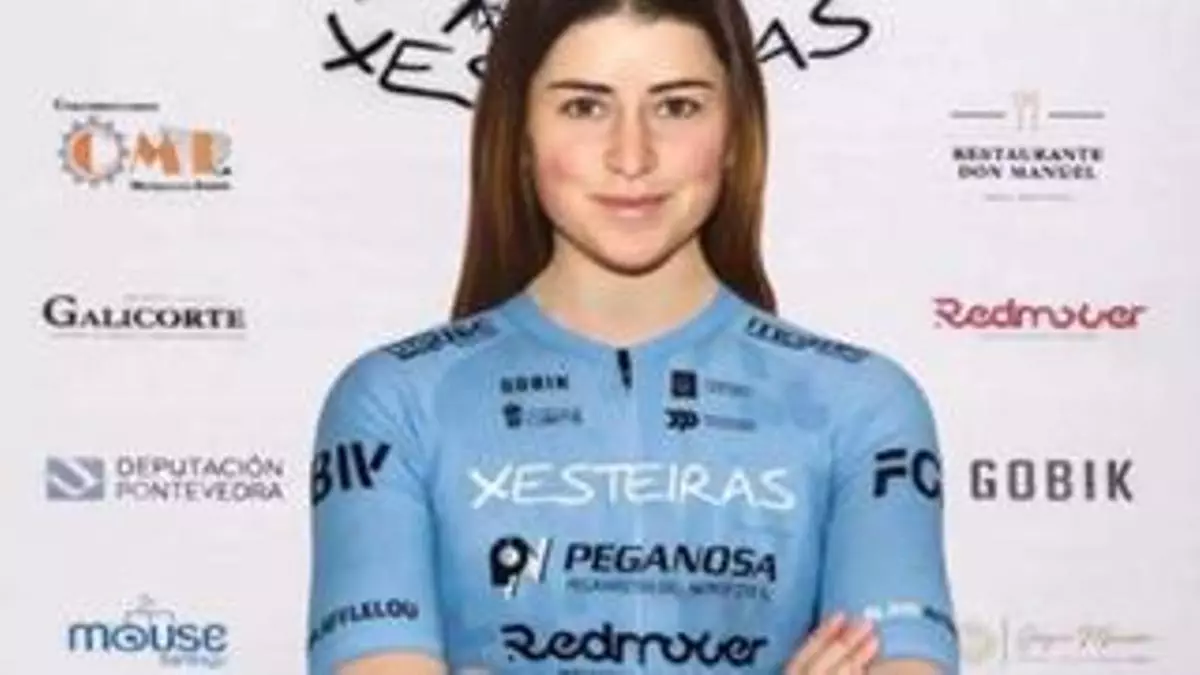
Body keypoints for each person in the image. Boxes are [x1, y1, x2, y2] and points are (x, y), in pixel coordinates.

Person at [306, 1, 959, 673]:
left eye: (676, 107)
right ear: (520, 132)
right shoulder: (393, 402)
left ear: (735, 130)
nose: (632, 156)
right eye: (584, 107)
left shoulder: (864, 406)